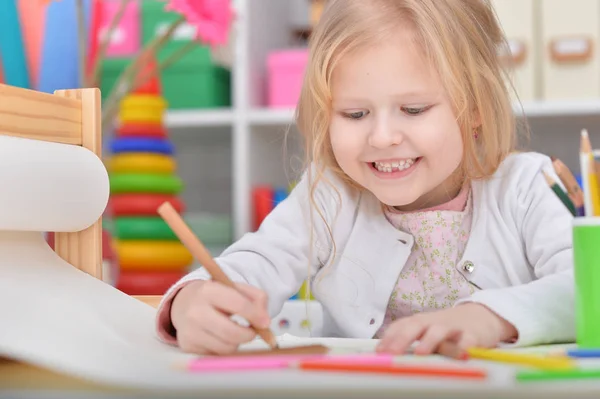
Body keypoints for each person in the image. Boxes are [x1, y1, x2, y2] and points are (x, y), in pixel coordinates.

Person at [155, 0, 575, 356]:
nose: (383, 137)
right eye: (355, 114)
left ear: (476, 107)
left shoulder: (527, 187)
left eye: (413, 110)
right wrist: (190, 302)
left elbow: (583, 288)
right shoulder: (330, 194)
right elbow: (255, 263)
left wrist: (491, 318)